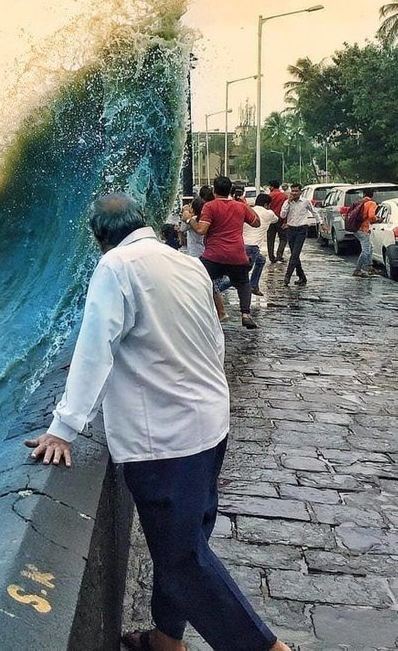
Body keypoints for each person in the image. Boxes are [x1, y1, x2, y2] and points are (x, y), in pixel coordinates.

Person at [25, 193, 291, 651]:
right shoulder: (187, 264)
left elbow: (95, 351)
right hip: (210, 424)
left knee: (183, 560)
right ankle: (167, 639)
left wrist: (63, 428)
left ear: (99, 237)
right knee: (187, 546)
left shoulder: (115, 267)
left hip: (165, 440)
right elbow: (214, 338)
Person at [182, 176, 260, 329]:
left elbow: (201, 230)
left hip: (214, 256)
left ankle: (195, 311)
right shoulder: (240, 207)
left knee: (198, 278)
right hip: (237, 255)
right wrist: (245, 206)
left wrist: (189, 219)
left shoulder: (210, 206)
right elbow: (257, 223)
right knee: (243, 283)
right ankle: (245, 314)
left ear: (214, 190)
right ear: (230, 190)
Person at [280, 183, 325, 286]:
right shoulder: (287, 202)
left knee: (295, 254)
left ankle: (287, 276)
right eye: (293, 191)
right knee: (294, 255)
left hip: (301, 230)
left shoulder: (305, 202)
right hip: (290, 230)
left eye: (296, 191)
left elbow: (314, 212)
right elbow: (282, 215)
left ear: (300, 192)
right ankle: (302, 277)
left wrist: (321, 223)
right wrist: (288, 203)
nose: (294, 193)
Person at [244, 193, 278, 296]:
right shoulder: (269, 213)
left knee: (261, 260)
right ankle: (216, 290)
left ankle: (254, 285)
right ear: (266, 204)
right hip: (252, 247)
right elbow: (276, 220)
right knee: (239, 275)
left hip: (241, 244)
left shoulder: (248, 211)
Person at [352, 189, 380, 278]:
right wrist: (377, 219)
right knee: (366, 251)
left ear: (364, 194)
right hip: (363, 229)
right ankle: (357, 270)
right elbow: (371, 216)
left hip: (356, 228)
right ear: (372, 195)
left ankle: (369, 267)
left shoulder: (361, 202)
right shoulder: (371, 203)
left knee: (370, 247)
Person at [266, 180, 288, 263]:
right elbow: (286, 209)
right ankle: (279, 255)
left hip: (270, 219)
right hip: (281, 219)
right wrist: (285, 221)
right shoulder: (284, 196)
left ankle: (271, 257)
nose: (269, 188)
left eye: (270, 186)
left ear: (272, 187)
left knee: (270, 239)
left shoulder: (269, 196)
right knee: (283, 238)